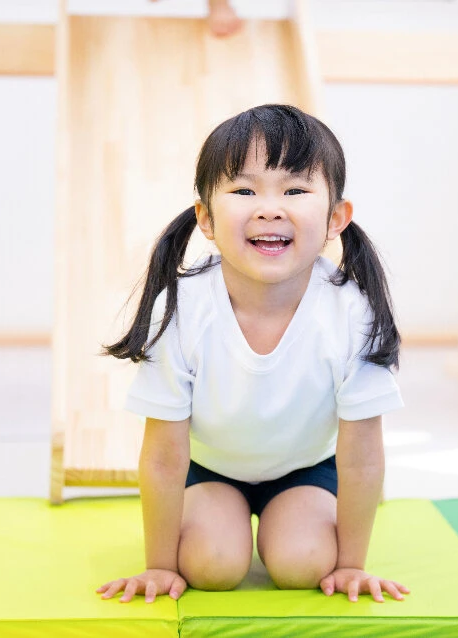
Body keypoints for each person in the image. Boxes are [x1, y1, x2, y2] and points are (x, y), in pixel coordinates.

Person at [96, 104, 409, 605]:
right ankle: (221, 520)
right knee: (210, 566)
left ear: (335, 219)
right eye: (243, 190)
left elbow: (363, 454)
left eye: (295, 190)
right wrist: (159, 566)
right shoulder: (182, 307)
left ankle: (293, 525)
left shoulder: (351, 310)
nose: (269, 207)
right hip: (211, 469)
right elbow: (162, 454)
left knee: (303, 564)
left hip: (307, 469)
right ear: (206, 219)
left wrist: (351, 564)